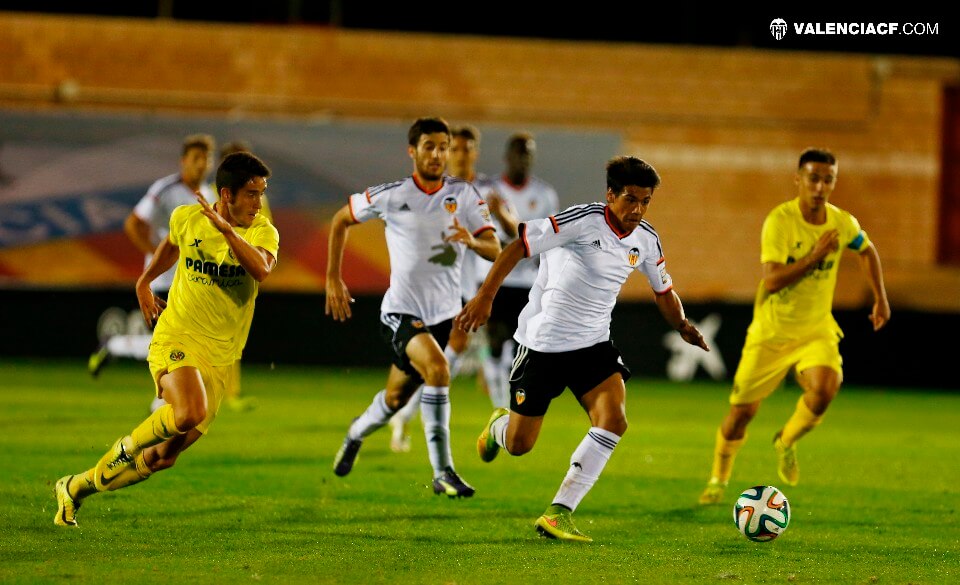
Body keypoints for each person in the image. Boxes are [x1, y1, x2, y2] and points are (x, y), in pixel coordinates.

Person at [458, 156, 709, 541]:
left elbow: (664, 290)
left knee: (614, 419)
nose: (637, 210)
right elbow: (516, 247)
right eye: (629, 199)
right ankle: (499, 428)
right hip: (542, 345)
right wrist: (484, 298)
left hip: (592, 345)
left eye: (645, 201)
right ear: (610, 195)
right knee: (520, 445)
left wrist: (683, 325)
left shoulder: (646, 239)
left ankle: (559, 513)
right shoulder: (580, 220)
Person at [54, 152, 278, 527]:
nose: (259, 202)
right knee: (190, 412)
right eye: (252, 194)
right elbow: (172, 246)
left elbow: (261, 268)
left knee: (163, 458)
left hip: (219, 358)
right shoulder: (187, 217)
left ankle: (75, 488)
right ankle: (126, 446)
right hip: (177, 335)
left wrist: (226, 231)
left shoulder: (262, 232)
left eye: (261, 193)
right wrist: (143, 281)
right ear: (227, 193)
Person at [698, 147, 890, 505]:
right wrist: (815, 255)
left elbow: (867, 250)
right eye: (813, 178)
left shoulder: (842, 222)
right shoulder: (780, 221)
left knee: (826, 387)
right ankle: (717, 479)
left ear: (834, 182)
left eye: (828, 179)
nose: (820, 186)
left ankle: (786, 440)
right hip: (771, 331)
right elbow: (771, 281)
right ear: (798, 179)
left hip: (815, 328)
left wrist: (880, 297)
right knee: (741, 415)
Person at [326, 117, 500, 498]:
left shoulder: (466, 197)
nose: (437, 155)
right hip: (400, 312)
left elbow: (495, 249)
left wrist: (471, 240)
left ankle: (356, 433)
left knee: (393, 400)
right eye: (429, 147)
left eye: (444, 147)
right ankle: (443, 472)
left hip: (442, 317)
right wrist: (332, 278)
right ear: (412, 151)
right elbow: (341, 220)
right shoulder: (391, 195)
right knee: (439, 371)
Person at [386, 123, 499, 453]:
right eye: (456, 148)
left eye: (467, 148)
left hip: (469, 286)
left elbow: (497, 240)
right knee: (443, 360)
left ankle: (403, 416)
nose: (460, 155)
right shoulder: (435, 192)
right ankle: (407, 415)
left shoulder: (485, 193)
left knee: (449, 359)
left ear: (474, 152)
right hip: (433, 289)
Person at [88, 134, 217, 387]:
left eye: (206, 158)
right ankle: (116, 347)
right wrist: (156, 256)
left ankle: (115, 346)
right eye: (196, 158)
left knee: (181, 346)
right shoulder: (166, 190)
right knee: (172, 345)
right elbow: (133, 224)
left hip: (193, 280)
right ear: (184, 161)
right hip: (165, 280)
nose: (201, 163)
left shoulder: (210, 193)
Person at [474, 133, 559, 410]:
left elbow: (549, 240)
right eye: (519, 154)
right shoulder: (490, 191)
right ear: (507, 157)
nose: (524, 160)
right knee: (496, 339)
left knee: (519, 343)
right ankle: (501, 403)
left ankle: (510, 398)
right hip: (493, 277)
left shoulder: (545, 195)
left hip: (527, 282)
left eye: (528, 155)